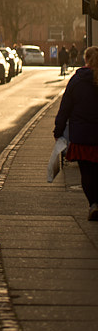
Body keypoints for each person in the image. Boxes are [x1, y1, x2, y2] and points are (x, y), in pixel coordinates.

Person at [54, 45, 98, 220]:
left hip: (82, 136)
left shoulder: (76, 81)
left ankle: (93, 204)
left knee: (86, 173)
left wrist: (58, 131)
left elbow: (65, 108)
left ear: (85, 59)